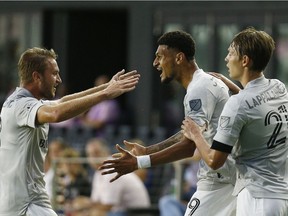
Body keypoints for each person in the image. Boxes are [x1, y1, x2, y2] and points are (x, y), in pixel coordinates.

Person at [100, 30, 240, 216]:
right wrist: (149, 150)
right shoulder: (203, 83)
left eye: (159, 56)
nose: (155, 63)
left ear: (179, 58)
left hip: (218, 183)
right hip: (228, 179)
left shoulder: (199, 88)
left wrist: (139, 162)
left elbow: (188, 146)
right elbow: (188, 136)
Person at [0, 47, 140, 216]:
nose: (59, 79)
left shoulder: (26, 102)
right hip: (24, 204)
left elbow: (63, 102)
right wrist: (104, 94)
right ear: (37, 77)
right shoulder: (21, 105)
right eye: (54, 74)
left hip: (28, 201)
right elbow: (56, 113)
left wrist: (106, 88)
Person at [181, 27, 288, 215]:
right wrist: (235, 88)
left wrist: (196, 134)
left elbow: (214, 161)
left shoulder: (237, 104)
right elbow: (257, 107)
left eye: (230, 53)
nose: (226, 58)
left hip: (256, 196)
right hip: (279, 195)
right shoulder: (278, 87)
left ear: (244, 60)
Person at [85, 137, 151, 216]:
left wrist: (85, 204)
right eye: (90, 154)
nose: (93, 158)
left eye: (96, 153)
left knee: (95, 213)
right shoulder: (98, 173)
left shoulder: (113, 168)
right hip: (121, 212)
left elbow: (107, 206)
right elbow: (96, 202)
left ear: (106, 152)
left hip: (135, 213)